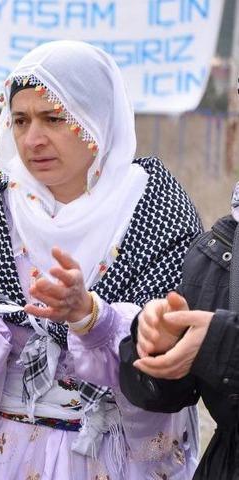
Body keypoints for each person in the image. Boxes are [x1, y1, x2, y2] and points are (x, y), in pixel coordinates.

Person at [0, 41, 202, 479]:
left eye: (54, 118)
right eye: (20, 120)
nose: (33, 139)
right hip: (10, 456)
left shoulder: (156, 208)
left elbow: (170, 359)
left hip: (115, 456)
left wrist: (92, 317)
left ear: (97, 116)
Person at [119, 181, 239, 478]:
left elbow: (220, 341)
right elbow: (167, 396)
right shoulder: (216, 250)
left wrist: (218, 343)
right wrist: (157, 346)